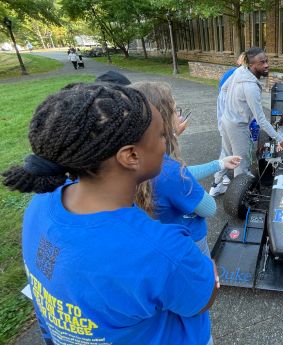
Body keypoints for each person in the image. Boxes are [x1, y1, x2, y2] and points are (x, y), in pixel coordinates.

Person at [2, 83, 219, 345]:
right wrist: (209, 270)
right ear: (130, 155)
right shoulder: (163, 250)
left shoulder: (42, 202)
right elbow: (201, 301)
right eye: (163, 135)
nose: (167, 142)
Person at [130, 81, 241, 257]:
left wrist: (219, 164)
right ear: (162, 119)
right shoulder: (170, 172)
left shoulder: (132, 157)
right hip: (188, 241)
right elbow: (209, 208)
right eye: (175, 110)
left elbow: (181, 175)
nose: (179, 116)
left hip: (159, 238)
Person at [210, 47, 283, 195]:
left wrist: (230, 109)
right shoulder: (251, 87)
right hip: (237, 126)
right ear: (252, 65)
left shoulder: (240, 71)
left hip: (227, 120)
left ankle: (216, 185)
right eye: (262, 63)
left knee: (226, 155)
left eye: (266, 61)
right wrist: (280, 139)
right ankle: (240, 194)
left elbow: (224, 90)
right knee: (241, 162)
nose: (266, 65)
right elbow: (261, 120)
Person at [210, 53, 248, 196]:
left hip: (226, 119)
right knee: (234, 152)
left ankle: (218, 181)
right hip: (231, 120)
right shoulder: (238, 75)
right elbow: (226, 98)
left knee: (227, 150)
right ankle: (236, 190)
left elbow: (223, 94)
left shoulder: (231, 73)